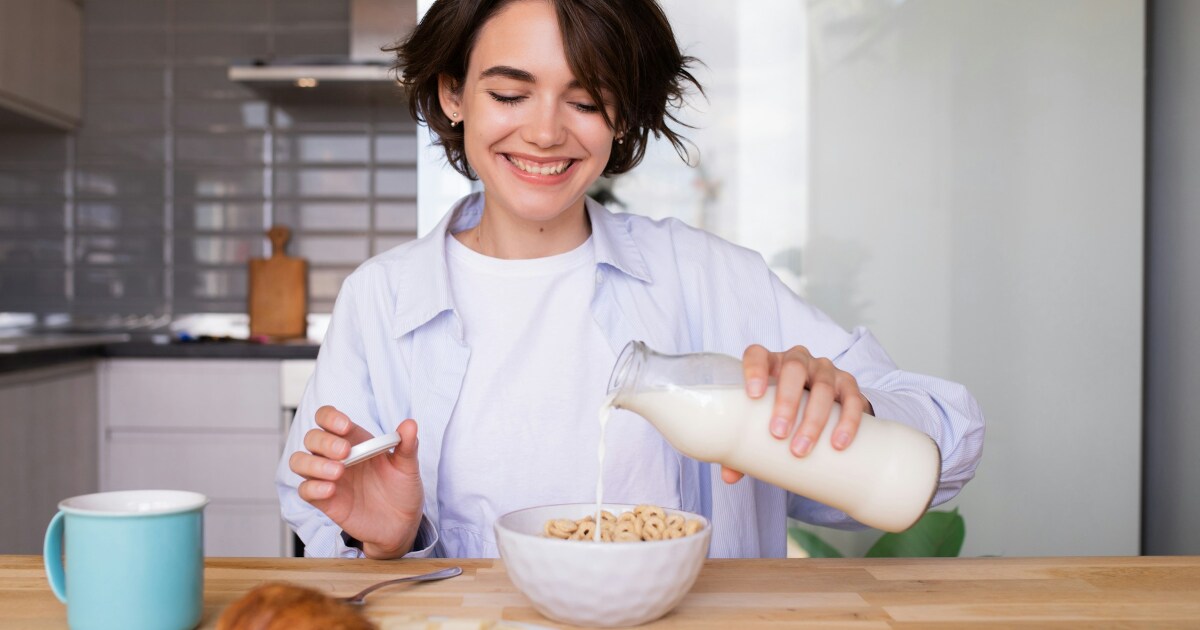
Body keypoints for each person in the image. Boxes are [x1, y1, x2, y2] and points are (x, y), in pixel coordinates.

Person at [276, 0, 985, 559]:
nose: (547, 132)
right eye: (510, 94)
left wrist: (846, 413)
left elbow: (948, 447)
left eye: (585, 101)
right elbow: (321, 511)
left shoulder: (709, 278)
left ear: (621, 118)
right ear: (454, 93)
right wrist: (386, 539)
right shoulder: (382, 298)